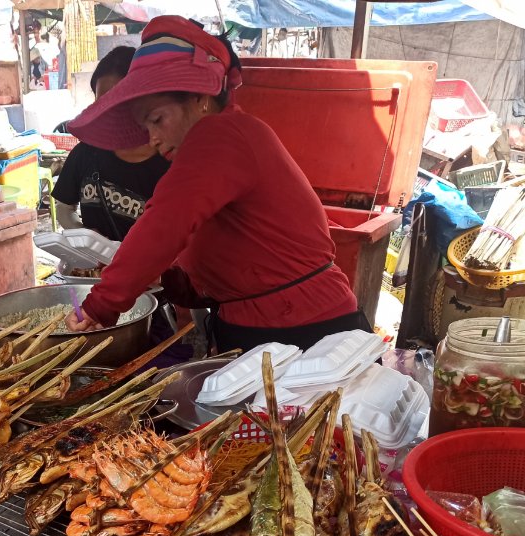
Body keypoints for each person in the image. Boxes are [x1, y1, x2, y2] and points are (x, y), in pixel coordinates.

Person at [64, 16, 369, 354]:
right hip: (264, 328)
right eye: (144, 127)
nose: (152, 139)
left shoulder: (221, 134)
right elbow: (217, 256)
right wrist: (169, 278)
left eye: (157, 119)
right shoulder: (214, 151)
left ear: (199, 98)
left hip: (305, 331)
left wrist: (101, 304)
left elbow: (164, 223)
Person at [52, 47, 170, 243]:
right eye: (103, 104)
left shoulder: (169, 162)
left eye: (120, 104)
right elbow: (64, 209)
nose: (111, 113)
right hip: (96, 270)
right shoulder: (86, 153)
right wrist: (88, 238)